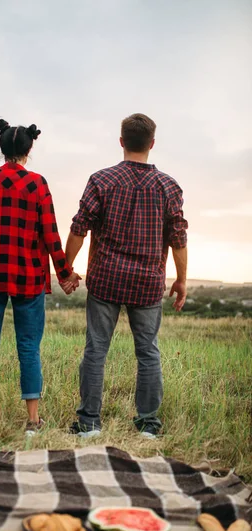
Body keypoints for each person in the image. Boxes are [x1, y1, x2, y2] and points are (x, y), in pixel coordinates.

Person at [63, 113, 188, 439]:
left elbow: (79, 227)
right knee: (148, 352)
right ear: (152, 144)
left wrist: (65, 268)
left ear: (121, 142)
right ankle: (149, 425)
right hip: (148, 282)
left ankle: (89, 423)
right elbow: (178, 238)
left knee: (96, 351)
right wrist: (181, 279)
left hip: (105, 279)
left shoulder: (101, 180)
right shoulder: (168, 187)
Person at [0, 118, 80, 434]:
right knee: (28, 346)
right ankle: (32, 422)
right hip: (29, 276)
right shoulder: (37, 185)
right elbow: (51, 235)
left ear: (2, 148)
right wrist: (65, 273)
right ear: (29, 149)